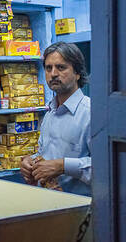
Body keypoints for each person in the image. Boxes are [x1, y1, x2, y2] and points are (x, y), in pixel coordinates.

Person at [20, 41, 91, 196]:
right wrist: (30, 162)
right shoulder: (50, 112)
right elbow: (46, 155)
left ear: (77, 73)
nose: (53, 74)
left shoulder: (90, 113)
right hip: (49, 203)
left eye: (61, 67)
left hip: (82, 210)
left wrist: (64, 166)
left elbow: (110, 168)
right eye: (48, 68)